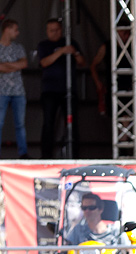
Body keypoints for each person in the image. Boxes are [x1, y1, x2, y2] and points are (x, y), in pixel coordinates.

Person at [37, 18, 85, 159]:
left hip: (69, 90)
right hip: (49, 90)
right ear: (47, 31)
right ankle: (46, 156)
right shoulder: (44, 45)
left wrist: (74, 52)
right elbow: (44, 62)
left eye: (57, 29)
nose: (55, 33)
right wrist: (62, 51)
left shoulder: (71, 42)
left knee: (72, 124)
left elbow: (82, 62)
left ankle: (74, 155)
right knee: (48, 123)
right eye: (51, 30)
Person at [0, 19, 29, 159]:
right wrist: (15, 65)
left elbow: (24, 63)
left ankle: (23, 154)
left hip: (18, 91)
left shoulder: (18, 47)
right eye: (15, 29)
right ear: (7, 29)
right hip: (1, 92)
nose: (17, 33)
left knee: (20, 124)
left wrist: (5, 65)